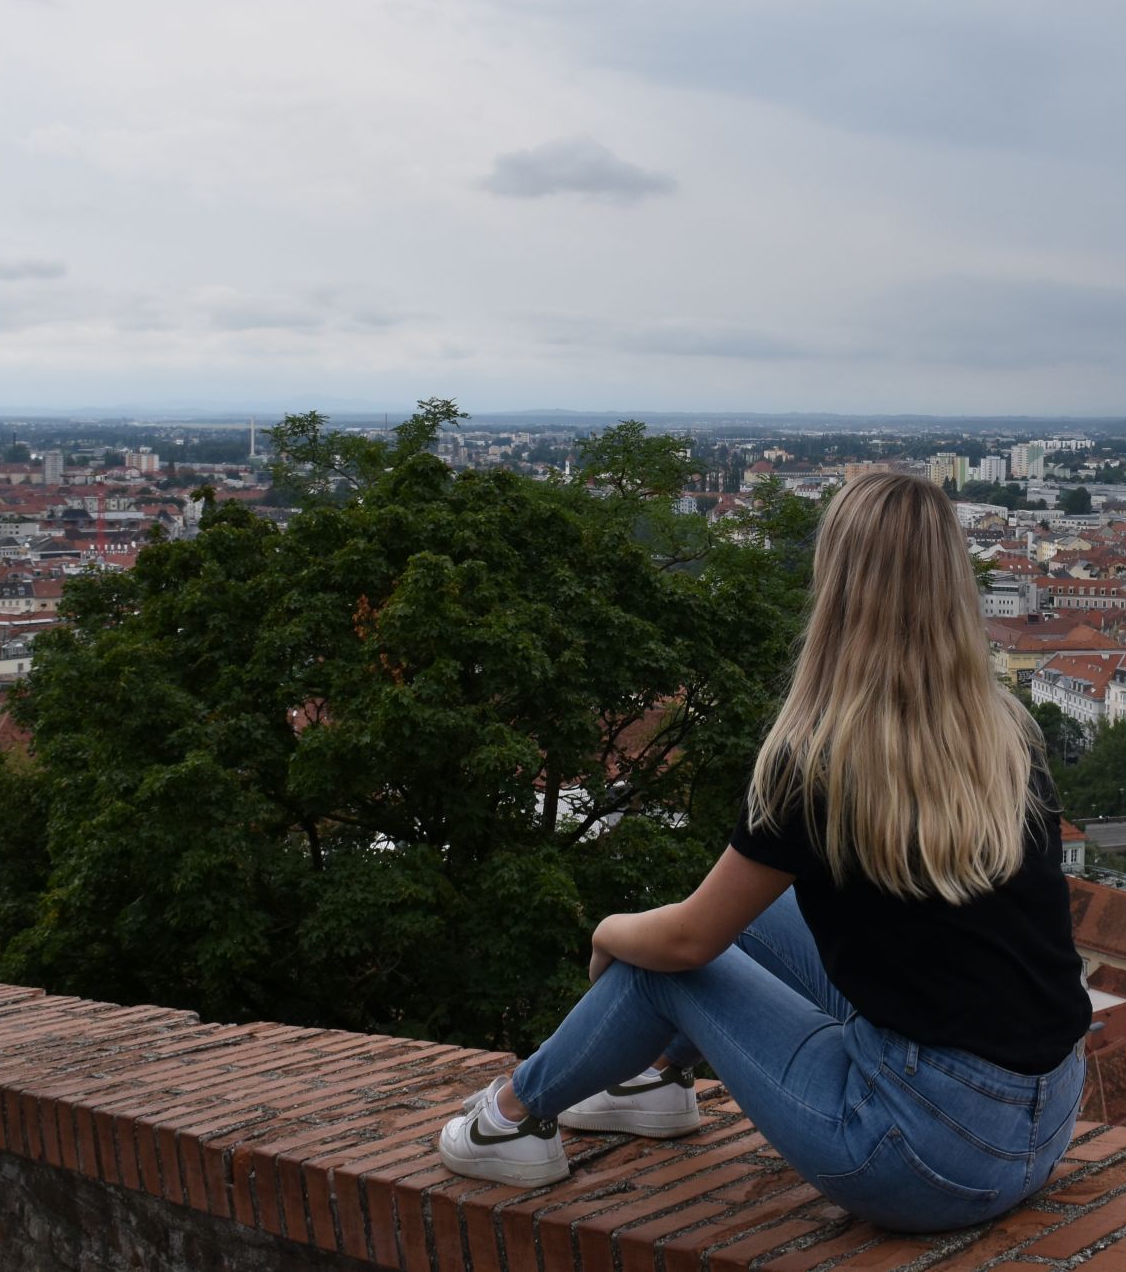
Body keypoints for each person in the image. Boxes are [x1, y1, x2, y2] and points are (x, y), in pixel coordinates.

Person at [437, 470, 1090, 1232]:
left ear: (838, 583)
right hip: (1044, 1126)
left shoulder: (817, 760)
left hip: (922, 1155)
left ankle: (509, 1119)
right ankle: (655, 1081)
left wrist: (606, 930)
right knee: (754, 911)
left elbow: (686, 941)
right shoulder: (1007, 736)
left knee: (665, 963)